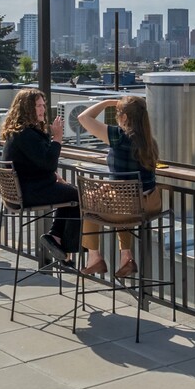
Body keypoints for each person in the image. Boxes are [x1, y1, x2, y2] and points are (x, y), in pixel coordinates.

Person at [76, 95, 162, 278]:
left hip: (127, 207)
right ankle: (126, 257)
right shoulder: (150, 142)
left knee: (88, 202)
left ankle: (94, 257)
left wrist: (107, 102)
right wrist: (112, 186)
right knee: (119, 203)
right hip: (150, 204)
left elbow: (83, 118)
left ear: (124, 117)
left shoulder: (119, 137)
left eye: (117, 113)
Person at [0, 88, 78, 267]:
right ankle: (63, 248)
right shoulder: (26, 135)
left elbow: (36, 164)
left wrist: (52, 176)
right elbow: (48, 163)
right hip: (28, 193)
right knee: (77, 196)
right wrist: (58, 138)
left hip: (23, 191)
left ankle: (56, 239)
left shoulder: (19, 133)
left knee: (70, 193)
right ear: (27, 109)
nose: (43, 109)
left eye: (43, 105)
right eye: (38, 106)